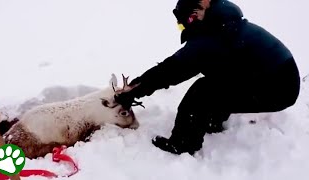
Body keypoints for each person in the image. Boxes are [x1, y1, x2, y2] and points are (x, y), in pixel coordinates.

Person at [114, 0, 300, 155]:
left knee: (202, 92)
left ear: (192, 17)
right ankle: (212, 121)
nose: (182, 28)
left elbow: (172, 70)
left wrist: (134, 90)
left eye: (181, 24)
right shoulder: (224, 23)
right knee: (217, 78)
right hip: (279, 80)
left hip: (278, 86)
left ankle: (183, 144)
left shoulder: (213, 35)